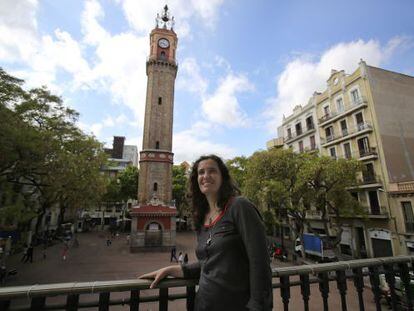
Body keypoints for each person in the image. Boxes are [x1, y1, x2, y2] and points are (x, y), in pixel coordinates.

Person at [139, 154, 273, 310]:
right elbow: (209, 265)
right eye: (201, 172)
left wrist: (258, 307)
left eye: (212, 171)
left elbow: (260, 263)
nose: (206, 176)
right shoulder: (202, 217)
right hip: (203, 304)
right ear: (196, 180)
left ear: (223, 177)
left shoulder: (239, 206)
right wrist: (171, 270)